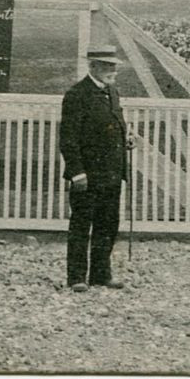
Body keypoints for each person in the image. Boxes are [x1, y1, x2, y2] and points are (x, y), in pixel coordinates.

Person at [60, 46, 131, 292]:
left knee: (108, 223)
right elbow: (68, 138)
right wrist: (77, 172)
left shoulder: (112, 92)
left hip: (111, 172)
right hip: (87, 175)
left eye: (114, 66)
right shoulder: (76, 95)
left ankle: (101, 274)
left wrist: (126, 139)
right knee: (82, 224)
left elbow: (112, 126)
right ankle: (77, 277)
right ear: (93, 67)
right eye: (107, 66)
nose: (113, 71)